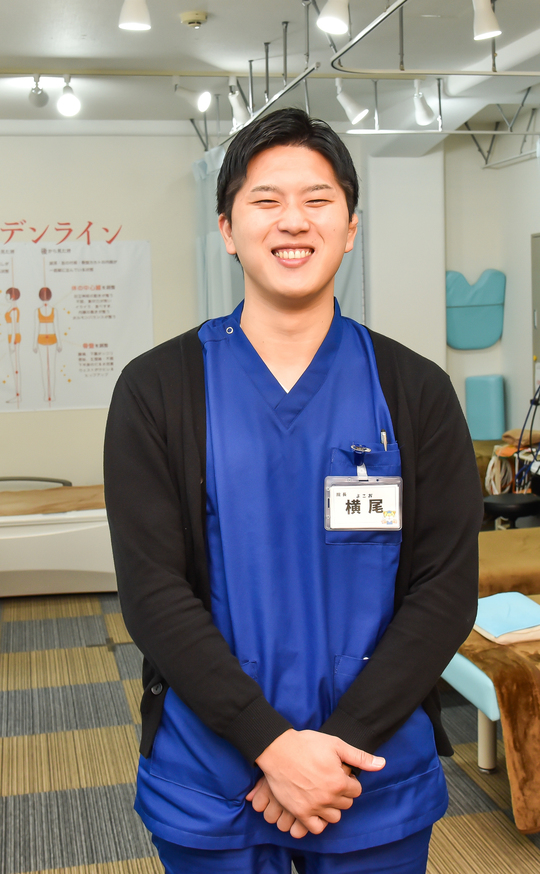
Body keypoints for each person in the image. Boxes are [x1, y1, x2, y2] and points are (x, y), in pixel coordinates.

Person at [104, 108, 483, 874]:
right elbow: (152, 592)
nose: (293, 221)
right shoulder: (159, 391)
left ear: (350, 227)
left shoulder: (414, 391)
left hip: (368, 773)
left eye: (318, 200)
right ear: (227, 227)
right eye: (265, 200)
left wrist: (334, 752)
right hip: (214, 777)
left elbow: (445, 590)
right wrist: (272, 746)